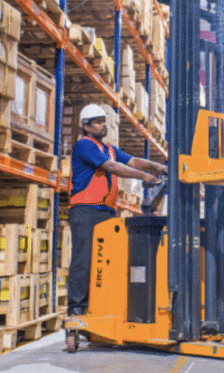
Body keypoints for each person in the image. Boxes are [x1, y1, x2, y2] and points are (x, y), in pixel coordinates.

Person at [66, 104, 167, 324]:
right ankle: (76, 308)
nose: (104, 124)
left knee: (107, 260)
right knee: (83, 260)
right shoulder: (84, 146)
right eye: (98, 121)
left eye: (104, 120)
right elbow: (112, 167)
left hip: (106, 211)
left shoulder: (109, 148)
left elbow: (131, 161)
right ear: (86, 125)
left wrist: (158, 167)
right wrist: (143, 176)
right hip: (85, 210)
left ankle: (100, 305)